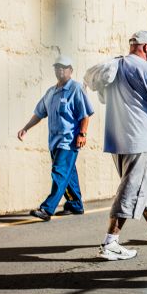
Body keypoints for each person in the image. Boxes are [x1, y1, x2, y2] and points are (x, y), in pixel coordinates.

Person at [84, 30, 147, 260]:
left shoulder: (115, 67)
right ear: (145, 47)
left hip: (118, 140)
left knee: (138, 186)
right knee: (131, 190)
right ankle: (110, 242)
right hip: (141, 140)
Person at [17, 55, 94, 221]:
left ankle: (47, 209)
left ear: (70, 71)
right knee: (68, 173)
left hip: (69, 141)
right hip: (54, 142)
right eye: (57, 67)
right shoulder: (51, 92)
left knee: (59, 172)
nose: (60, 70)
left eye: (64, 67)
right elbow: (39, 113)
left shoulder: (76, 88)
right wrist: (26, 128)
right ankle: (75, 205)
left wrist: (82, 134)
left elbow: (85, 115)